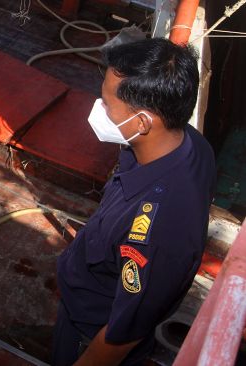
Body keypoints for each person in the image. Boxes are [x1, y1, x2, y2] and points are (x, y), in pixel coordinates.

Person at [53, 38, 215, 365]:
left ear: (141, 122)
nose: (99, 109)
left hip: (90, 333)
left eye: (107, 103)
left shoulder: (158, 233)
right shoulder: (190, 144)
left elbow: (120, 337)